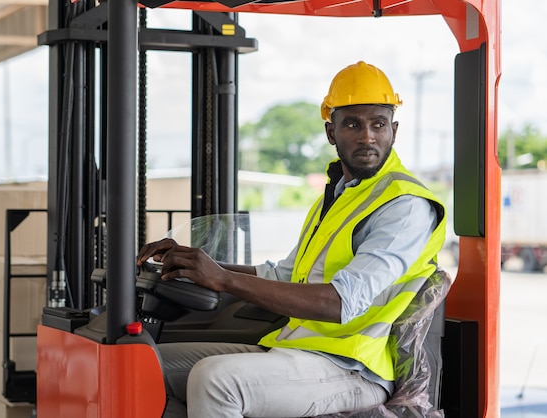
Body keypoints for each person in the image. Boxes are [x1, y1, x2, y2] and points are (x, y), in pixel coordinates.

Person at [136, 61, 447, 418]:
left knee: (216, 380)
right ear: (332, 133)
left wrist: (222, 279)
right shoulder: (338, 197)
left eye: (378, 124)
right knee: (143, 362)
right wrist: (199, 266)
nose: (367, 136)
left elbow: (341, 303)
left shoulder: (404, 205)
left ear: (393, 129)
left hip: (351, 367)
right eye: (352, 124)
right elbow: (285, 277)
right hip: (297, 351)